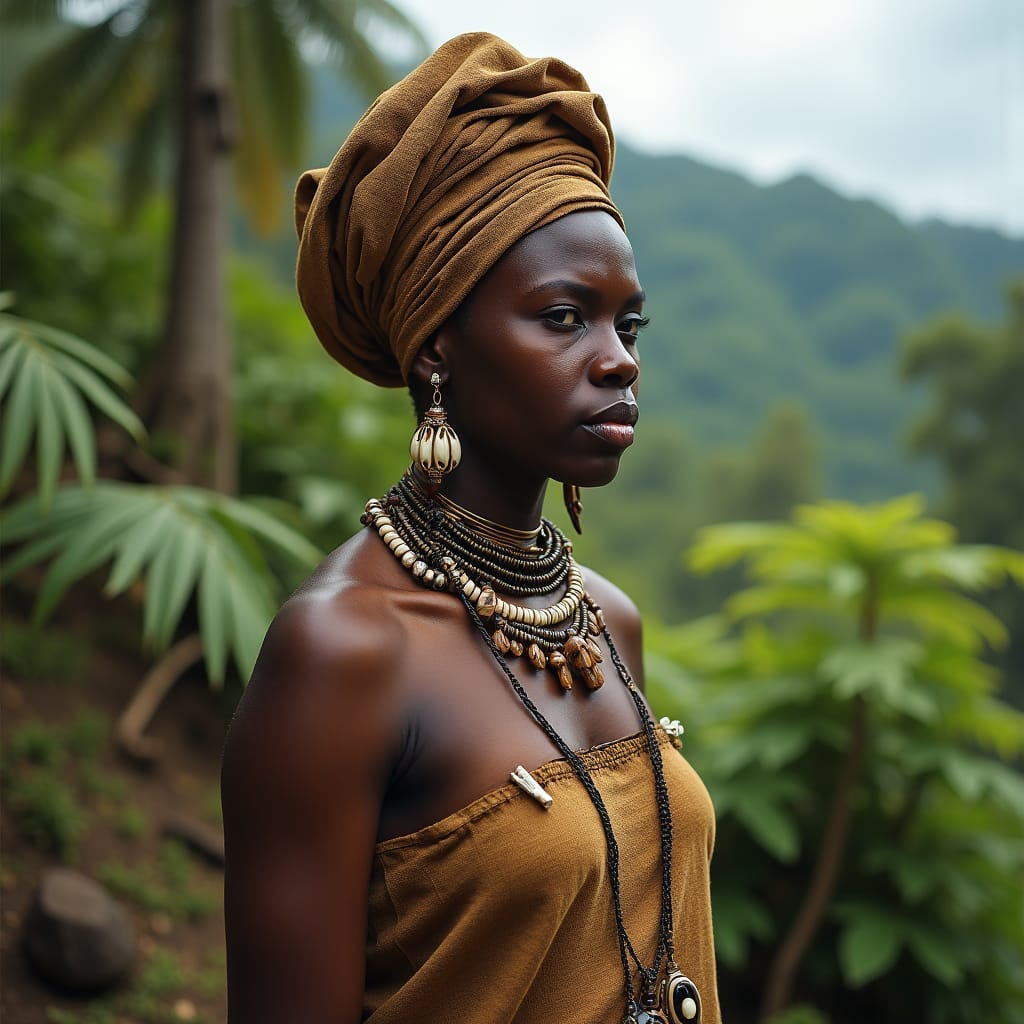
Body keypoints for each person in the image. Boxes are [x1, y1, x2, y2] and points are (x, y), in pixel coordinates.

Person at [221, 32, 720, 1024]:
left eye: (629, 324)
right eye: (564, 315)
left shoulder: (605, 625)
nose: (618, 359)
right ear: (438, 344)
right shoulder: (345, 651)